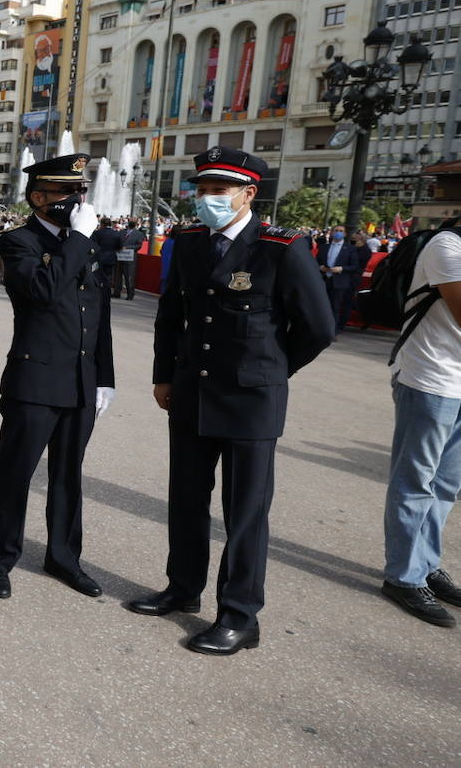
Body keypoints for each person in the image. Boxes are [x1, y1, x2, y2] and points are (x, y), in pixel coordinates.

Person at [131, 147, 334, 656]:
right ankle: (182, 588)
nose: (206, 200)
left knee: (244, 512)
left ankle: (240, 615)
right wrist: (163, 376)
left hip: (250, 403)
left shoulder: (281, 247)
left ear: (247, 194)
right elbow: (170, 316)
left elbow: (319, 328)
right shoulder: (191, 241)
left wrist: (270, 371)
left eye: (218, 191)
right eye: (201, 190)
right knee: (186, 501)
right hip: (192, 393)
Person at [0, 155, 113, 601]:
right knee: (15, 473)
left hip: (80, 379)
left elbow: (99, 316)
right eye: (66, 193)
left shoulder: (87, 244)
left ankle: (64, 557)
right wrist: (76, 239)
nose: (77, 200)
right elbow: (41, 292)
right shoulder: (19, 241)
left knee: (68, 476)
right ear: (38, 198)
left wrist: (104, 377)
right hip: (35, 379)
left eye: (81, 193)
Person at [381, 219, 461, 627]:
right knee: (416, 480)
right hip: (431, 379)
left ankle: (426, 565)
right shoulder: (447, 246)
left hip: (458, 383)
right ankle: (403, 576)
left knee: (446, 484)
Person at [318, 224, 361, 335]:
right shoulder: (324, 247)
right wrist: (320, 267)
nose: (338, 232)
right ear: (332, 232)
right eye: (336, 230)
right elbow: (316, 261)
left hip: (339, 282)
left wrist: (341, 268)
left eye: (341, 231)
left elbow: (355, 266)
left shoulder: (350, 249)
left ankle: (332, 332)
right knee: (321, 306)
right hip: (324, 279)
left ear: (345, 234)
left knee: (335, 307)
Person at [115, 223, 147, 300]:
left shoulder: (139, 234)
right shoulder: (122, 232)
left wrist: (127, 247)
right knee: (118, 275)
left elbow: (139, 245)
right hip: (120, 257)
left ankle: (130, 294)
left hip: (130, 258)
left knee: (129, 276)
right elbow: (116, 242)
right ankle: (117, 292)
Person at [92, 217, 123, 293]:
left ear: (102, 224)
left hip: (99, 258)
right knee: (108, 278)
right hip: (111, 258)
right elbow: (120, 247)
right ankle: (106, 293)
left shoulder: (97, 233)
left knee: (97, 276)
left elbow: (93, 246)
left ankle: (98, 292)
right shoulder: (116, 234)